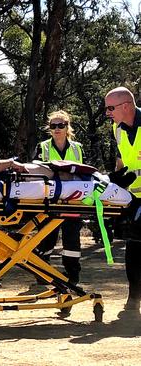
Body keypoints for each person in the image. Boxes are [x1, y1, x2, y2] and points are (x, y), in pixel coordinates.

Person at [34, 110, 85, 285]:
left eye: (61, 125)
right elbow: (35, 171)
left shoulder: (77, 148)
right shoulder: (43, 147)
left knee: (72, 238)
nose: (57, 129)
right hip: (49, 199)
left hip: (73, 200)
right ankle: (41, 271)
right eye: (53, 126)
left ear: (67, 127)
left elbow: (84, 172)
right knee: (47, 238)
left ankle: (72, 274)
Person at [104, 87, 141, 311]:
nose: (108, 113)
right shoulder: (117, 128)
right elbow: (121, 158)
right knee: (134, 246)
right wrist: (117, 178)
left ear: (126, 106)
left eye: (110, 108)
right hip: (132, 197)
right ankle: (134, 298)